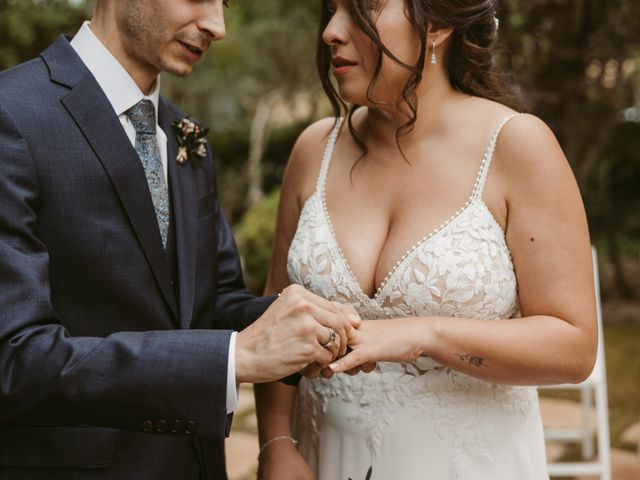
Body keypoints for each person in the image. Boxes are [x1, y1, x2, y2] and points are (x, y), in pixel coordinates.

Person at [0, 1, 361, 479]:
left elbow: (210, 306)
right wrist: (235, 358)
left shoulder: (185, 135)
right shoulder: (11, 113)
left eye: (225, 3)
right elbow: (14, 357)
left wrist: (305, 319)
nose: (219, 26)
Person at [255, 0, 598, 479]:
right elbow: (275, 313)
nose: (332, 31)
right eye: (330, 10)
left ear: (435, 25)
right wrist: (275, 442)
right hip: (323, 457)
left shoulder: (518, 146)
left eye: (363, 8)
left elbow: (573, 348)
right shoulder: (315, 150)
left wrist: (424, 333)